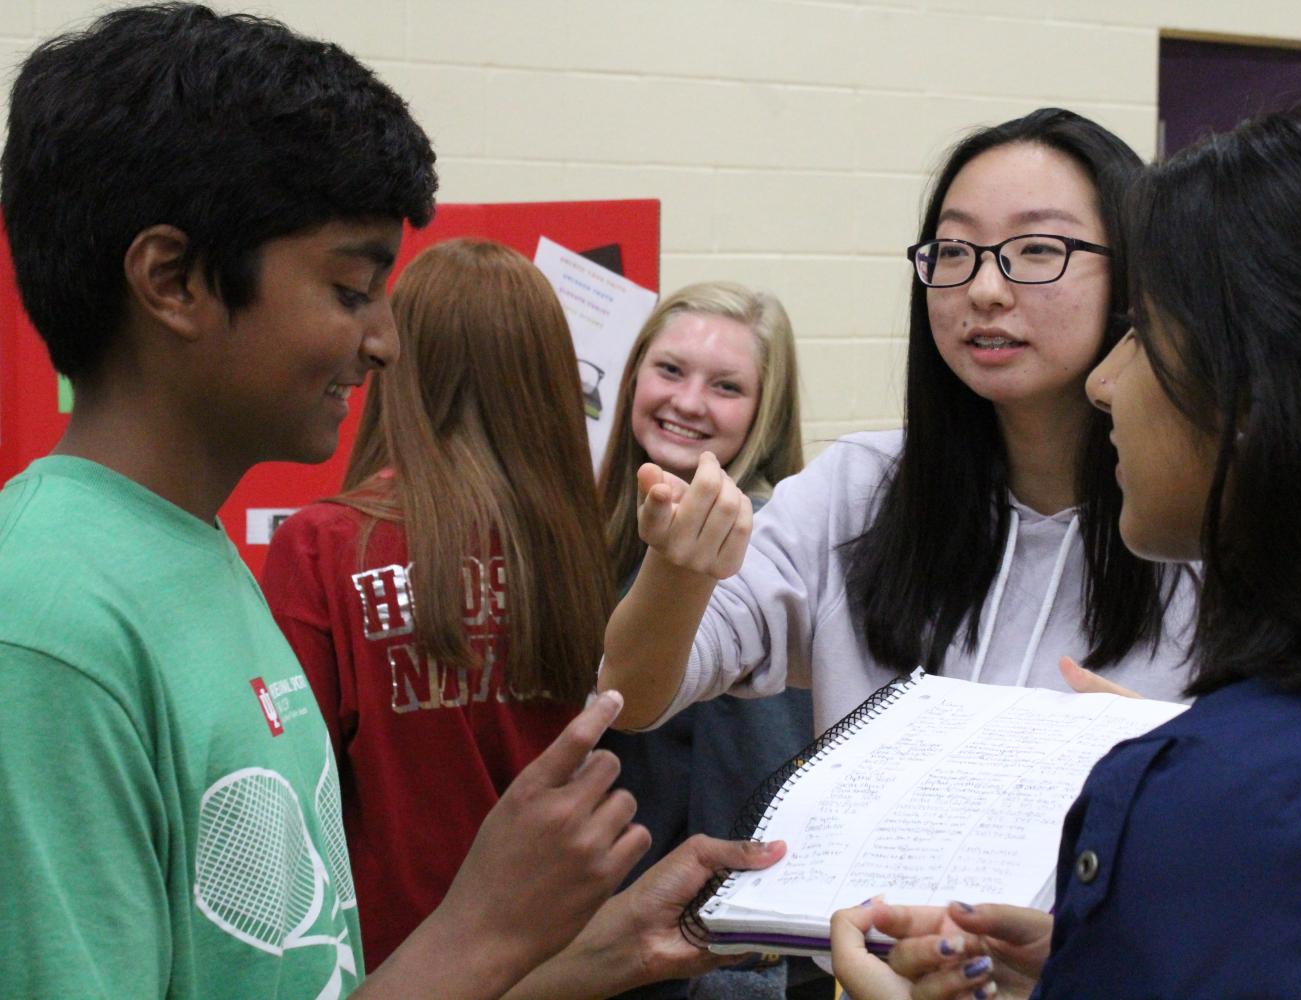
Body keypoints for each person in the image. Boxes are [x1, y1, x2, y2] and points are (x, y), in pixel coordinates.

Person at [0, 7, 781, 999]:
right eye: (350, 289)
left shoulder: (195, 564)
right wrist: (481, 930)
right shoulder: (44, 631)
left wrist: (596, 950)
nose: (383, 344)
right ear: (175, 280)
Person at [830, 101, 1301, 998]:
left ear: (1269, 392)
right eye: (957, 254)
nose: (1106, 383)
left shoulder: (1230, 800)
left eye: (1143, 331)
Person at [600, 108, 1195, 738]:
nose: (985, 289)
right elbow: (631, 698)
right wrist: (677, 567)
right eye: (955, 250)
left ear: (1134, 274)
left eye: (1038, 249)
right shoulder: (856, 490)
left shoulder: (1202, 523)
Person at [260, 237, 614, 969]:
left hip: (400, 966)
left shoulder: (324, 544)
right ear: (547, 375)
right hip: (565, 960)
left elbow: (292, 800)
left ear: (399, 362)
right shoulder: (587, 548)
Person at [595, 282, 815, 999]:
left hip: (713, 960)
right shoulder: (595, 533)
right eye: (669, 371)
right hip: (606, 943)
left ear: (763, 412)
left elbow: (746, 777)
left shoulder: (765, 560)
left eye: (725, 386)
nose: (688, 402)